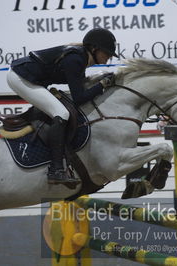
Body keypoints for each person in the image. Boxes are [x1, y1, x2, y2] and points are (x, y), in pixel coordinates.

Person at [7, 28, 118, 185]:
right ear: (94, 49)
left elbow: (80, 85)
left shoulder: (81, 58)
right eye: (106, 53)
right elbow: (79, 98)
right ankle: (56, 169)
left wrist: (99, 80)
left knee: (59, 110)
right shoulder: (76, 60)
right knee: (61, 113)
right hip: (20, 78)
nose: (108, 58)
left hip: (29, 78)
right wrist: (102, 85)